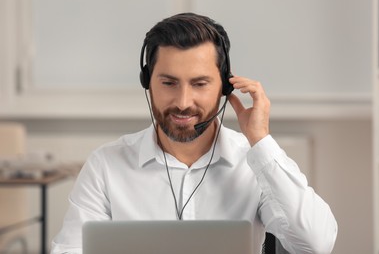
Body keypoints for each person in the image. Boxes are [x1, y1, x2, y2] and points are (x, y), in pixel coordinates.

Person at [51, 13, 337, 254]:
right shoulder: (107, 164)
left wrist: (260, 141)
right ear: (147, 82)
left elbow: (315, 244)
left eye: (200, 84)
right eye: (169, 82)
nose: (184, 101)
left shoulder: (253, 163)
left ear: (225, 87)